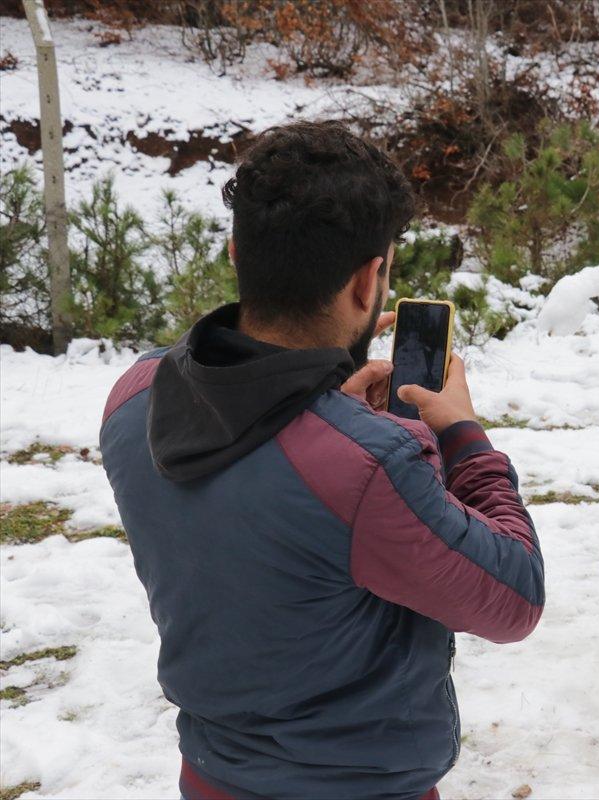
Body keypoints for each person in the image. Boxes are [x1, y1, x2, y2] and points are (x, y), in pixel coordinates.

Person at [100, 121, 545, 799]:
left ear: (234, 250)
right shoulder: (368, 467)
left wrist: (328, 412)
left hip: (211, 775)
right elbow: (513, 600)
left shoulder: (134, 396)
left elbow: (256, 498)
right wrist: (461, 434)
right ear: (369, 283)